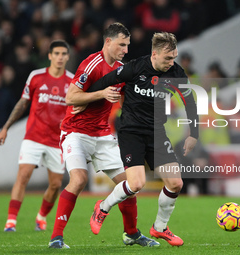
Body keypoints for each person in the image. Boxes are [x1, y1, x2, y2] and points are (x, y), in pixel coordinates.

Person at [48, 23, 159, 249]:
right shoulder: (91, 64)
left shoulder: (121, 68)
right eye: (121, 45)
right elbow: (70, 97)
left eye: (127, 45)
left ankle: (132, 234)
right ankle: (56, 238)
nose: (126, 50)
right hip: (76, 133)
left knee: (130, 185)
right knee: (78, 180)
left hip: (103, 135)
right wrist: (99, 94)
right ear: (108, 42)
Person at [84, 32, 199, 246]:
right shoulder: (135, 68)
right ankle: (102, 208)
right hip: (131, 132)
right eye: (167, 58)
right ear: (154, 54)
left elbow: (190, 102)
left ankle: (159, 228)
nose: (171, 62)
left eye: (174, 57)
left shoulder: (176, 73)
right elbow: (105, 81)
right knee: (136, 184)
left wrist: (194, 134)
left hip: (157, 132)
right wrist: (84, 100)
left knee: (175, 183)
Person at [0, 40, 73, 232]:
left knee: (56, 185)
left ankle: (41, 217)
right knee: (23, 175)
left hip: (57, 141)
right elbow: (23, 103)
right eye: (56, 53)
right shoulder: (36, 76)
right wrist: (6, 127)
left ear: (68, 57)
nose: (60, 57)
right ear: (49, 56)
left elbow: (76, 110)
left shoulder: (72, 82)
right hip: (34, 136)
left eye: (63, 54)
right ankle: (11, 221)